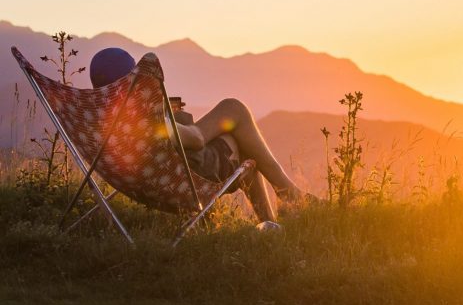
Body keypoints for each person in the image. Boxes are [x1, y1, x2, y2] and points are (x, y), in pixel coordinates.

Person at [89, 47, 307, 223]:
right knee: (235, 112)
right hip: (190, 181)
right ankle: (286, 198)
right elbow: (196, 140)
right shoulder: (147, 123)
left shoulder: (101, 126)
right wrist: (170, 123)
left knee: (231, 126)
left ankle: (276, 213)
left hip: (155, 185)